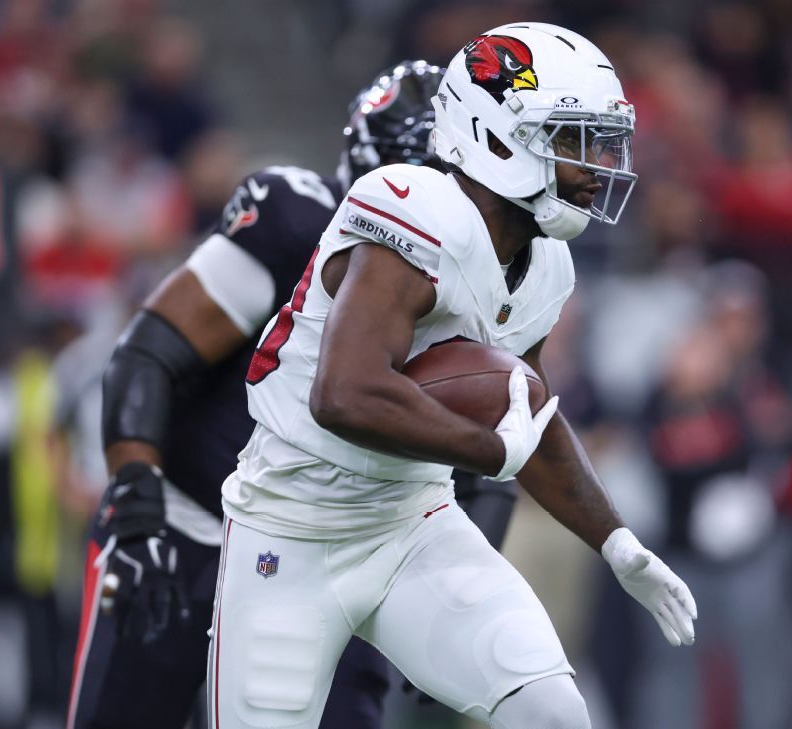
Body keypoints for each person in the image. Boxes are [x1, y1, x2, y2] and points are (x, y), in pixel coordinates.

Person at [209, 22, 697, 729]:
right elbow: (343, 393)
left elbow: (527, 412)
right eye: (571, 139)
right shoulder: (416, 206)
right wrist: (488, 451)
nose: (596, 165)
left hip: (415, 522)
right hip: (292, 527)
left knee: (554, 714)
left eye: (602, 142)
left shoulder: (547, 262)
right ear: (495, 135)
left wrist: (617, 542)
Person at [66, 61, 454, 729]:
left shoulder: (484, 282)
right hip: (192, 526)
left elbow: (478, 469)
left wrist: (443, 599)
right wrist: (138, 494)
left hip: (327, 562)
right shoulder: (296, 224)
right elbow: (147, 352)